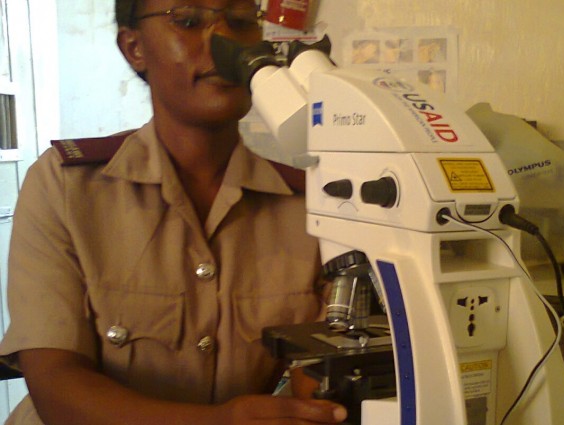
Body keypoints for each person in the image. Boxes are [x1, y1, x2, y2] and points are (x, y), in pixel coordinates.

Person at [0, 0, 347, 424]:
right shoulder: (67, 188)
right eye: (187, 20)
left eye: (240, 22)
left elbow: (321, 376)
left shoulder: (310, 206)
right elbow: (55, 385)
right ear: (134, 48)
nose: (224, 42)